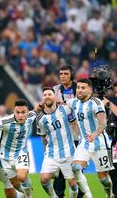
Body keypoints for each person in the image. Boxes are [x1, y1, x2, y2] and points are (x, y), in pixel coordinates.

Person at [66, 78, 114, 198]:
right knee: (76, 168)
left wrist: (94, 134)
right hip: (84, 144)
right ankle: (88, 195)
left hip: (101, 144)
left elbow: (103, 123)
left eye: (83, 88)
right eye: (78, 88)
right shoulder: (73, 102)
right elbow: (60, 105)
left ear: (90, 90)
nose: (79, 90)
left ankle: (109, 194)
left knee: (104, 180)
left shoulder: (96, 103)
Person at [36, 87, 79, 198]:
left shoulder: (65, 109)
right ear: (42, 99)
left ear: (55, 96)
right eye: (45, 95)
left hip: (69, 152)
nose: (47, 96)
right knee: (44, 179)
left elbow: (74, 124)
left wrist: (82, 140)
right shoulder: (40, 118)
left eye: (49, 94)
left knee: (73, 183)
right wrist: (45, 150)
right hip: (51, 154)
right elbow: (43, 137)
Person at [52, 65, 83, 198]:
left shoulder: (80, 89)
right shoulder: (54, 90)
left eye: (66, 73)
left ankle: (81, 195)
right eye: (61, 73)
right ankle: (59, 195)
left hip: (77, 134)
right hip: (60, 135)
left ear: (72, 75)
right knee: (58, 169)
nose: (63, 76)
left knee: (76, 169)